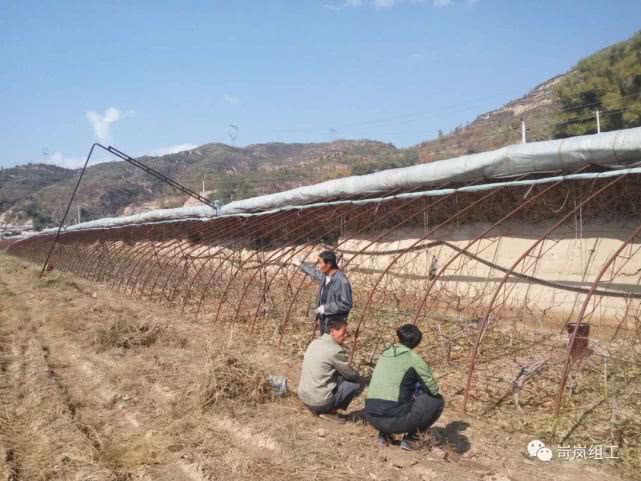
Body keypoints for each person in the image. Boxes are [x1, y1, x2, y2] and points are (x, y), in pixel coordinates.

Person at [365, 324, 444, 450]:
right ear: (417, 342)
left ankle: (383, 435)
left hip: (371, 415)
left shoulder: (385, 354)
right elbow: (433, 390)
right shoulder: (414, 359)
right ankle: (411, 440)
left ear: (399, 337)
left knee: (396, 393)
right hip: (394, 420)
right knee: (437, 401)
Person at [298, 317, 364, 422]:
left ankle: (320, 406)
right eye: (344, 332)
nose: (345, 336)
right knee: (355, 384)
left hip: (303, 395)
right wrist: (359, 376)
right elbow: (351, 375)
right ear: (333, 331)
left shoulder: (315, 342)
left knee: (337, 377)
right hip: (318, 403)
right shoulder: (335, 350)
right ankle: (328, 410)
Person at [294, 250, 352, 335]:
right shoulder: (324, 277)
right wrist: (301, 265)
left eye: (320, 263)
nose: (319, 266)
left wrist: (325, 308)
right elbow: (314, 272)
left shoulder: (342, 281)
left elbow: (346, 304)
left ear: (328, 264)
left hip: (335, 324)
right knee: (324, 342)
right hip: (324, 320)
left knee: (331, 345)